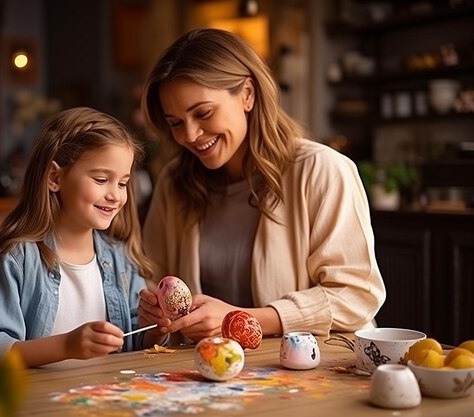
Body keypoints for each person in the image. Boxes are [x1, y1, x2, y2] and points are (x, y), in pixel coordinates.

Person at [137, 28, 386, 343]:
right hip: (203, 378)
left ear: (247, 94)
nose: (189, 135)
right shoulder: (174, 183)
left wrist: (240, 320)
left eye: (203, 113)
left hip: (309, 376)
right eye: (175, 123)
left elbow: (356, 297)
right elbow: (152, 287)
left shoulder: (323, 170)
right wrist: (155, 319)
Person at [0, 107, 166, 366]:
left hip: (111, 402)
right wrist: (66, 345)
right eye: (102, 179)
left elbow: (136, 342)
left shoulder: (122, 258)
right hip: (42, 404)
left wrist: (154, 330)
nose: (116, 195)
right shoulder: (18, 258)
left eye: (123, 183)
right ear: (54, 177)